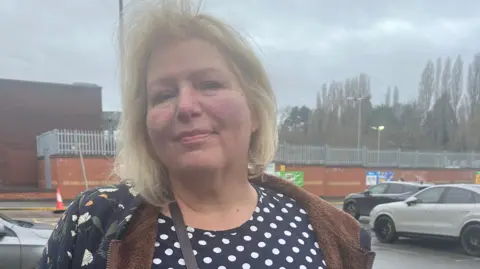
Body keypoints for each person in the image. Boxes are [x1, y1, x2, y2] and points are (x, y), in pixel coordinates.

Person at [37, 1, 374, 268]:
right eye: (164, 94)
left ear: (255, 111)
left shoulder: (331, 233)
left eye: (209, 84)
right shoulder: (95, 221)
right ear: (145, 123)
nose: (185, 106)